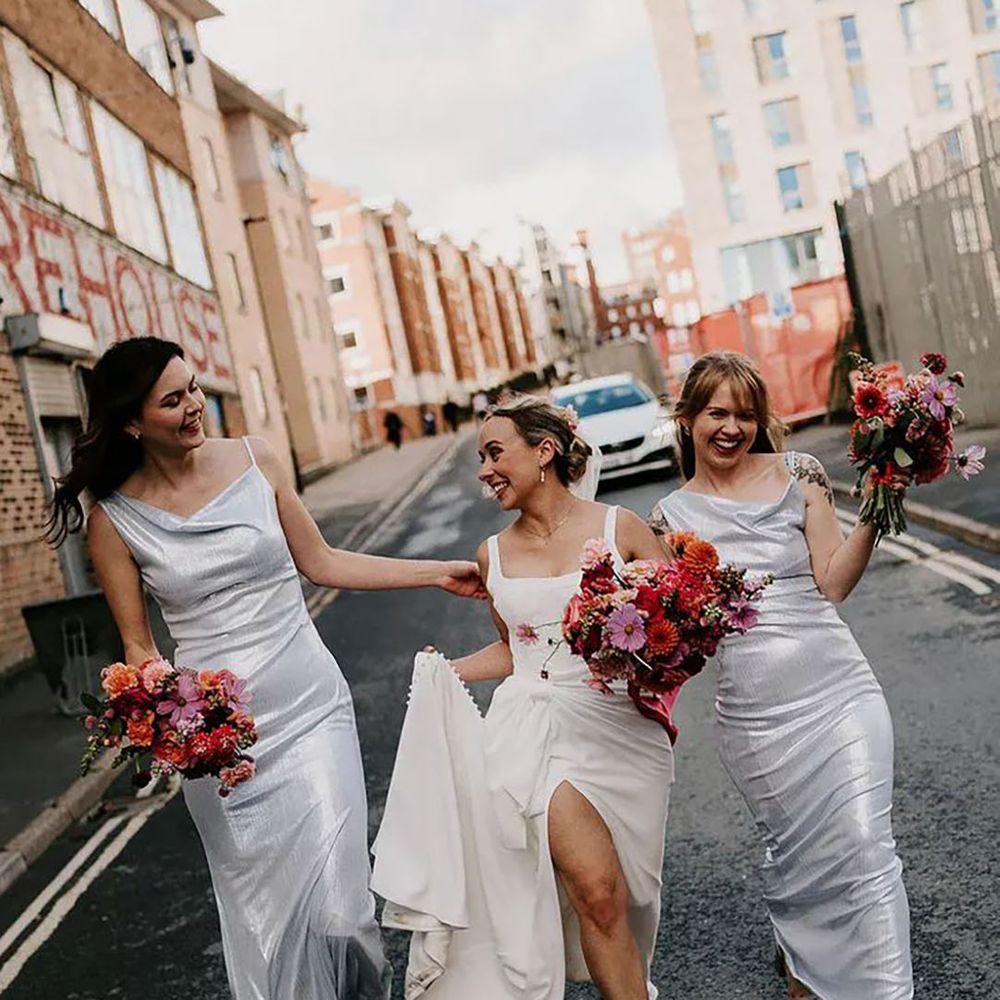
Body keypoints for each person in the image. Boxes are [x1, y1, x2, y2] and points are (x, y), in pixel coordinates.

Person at [47, 337, 484, 1000]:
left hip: (310, 708)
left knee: (341, 911)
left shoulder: (259, 458)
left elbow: (324, 563)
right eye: (174, 400)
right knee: (268, 923)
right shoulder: (113, 520)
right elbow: (139, 648)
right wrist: (177, 725)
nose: (195, 406)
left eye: (193, 387)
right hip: (222, 743)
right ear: (133, 422)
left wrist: (435, 573)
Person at [373, 395, 676, 1000]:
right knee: (596, 890)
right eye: (480, 458)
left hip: (622, 732)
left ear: (545, 452)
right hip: (536, 734)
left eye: (494, 453)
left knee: (631, 896)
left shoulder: (622, 529)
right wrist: (444, 672)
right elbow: (518, 650)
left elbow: (680, 631)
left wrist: (651, 647)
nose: (484, 470)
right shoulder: (493, 555)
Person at [648, 352, 912, 1000]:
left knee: (865, 845)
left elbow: (835, 582)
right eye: (717, 413)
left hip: (841, 692)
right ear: (688, 419)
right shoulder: (667, 518)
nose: (732, 427)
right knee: (801, 862)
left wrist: (875, 511)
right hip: (756, 721)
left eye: (745, 413)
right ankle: (808, 972)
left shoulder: (802, 473)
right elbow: (682, 642)